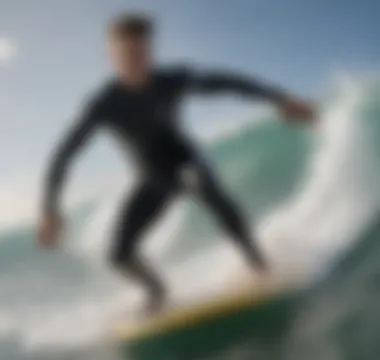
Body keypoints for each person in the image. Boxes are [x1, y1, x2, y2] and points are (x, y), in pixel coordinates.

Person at [37, 14, 315, 314]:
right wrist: (50, 207)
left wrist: (279, 99)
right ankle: (157, 292)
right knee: (118, 254)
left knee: (201, 180)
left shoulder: (170, 80)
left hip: (185, 159)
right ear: (112, 57)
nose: (136, 61)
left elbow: (225, 83)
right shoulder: (104, 103)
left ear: (150, 51)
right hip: (154, 178)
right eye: (127, 54)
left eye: (141, 52)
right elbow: (64, 154)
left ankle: (259, 266)